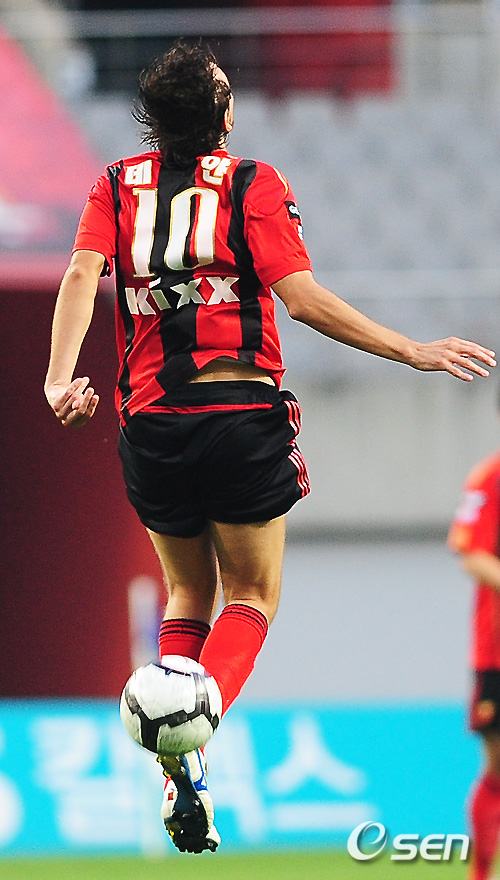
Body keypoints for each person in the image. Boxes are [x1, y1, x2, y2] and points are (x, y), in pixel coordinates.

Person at [45, 41, 495, 854]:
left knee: (188, 592)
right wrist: (412, 350)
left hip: (151, 423)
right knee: (251, 594)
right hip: (238, 414)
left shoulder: (112, 184)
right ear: (220, 116)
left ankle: (176, 749)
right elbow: (304, 300)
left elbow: (81, 276)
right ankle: (191, 724)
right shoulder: (252, 183)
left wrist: (57, 379)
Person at [448, 429, 500, 880]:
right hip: (497, 654)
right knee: (498, 771)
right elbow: (471, 553)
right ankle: (481, 872)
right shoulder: (491, 477)